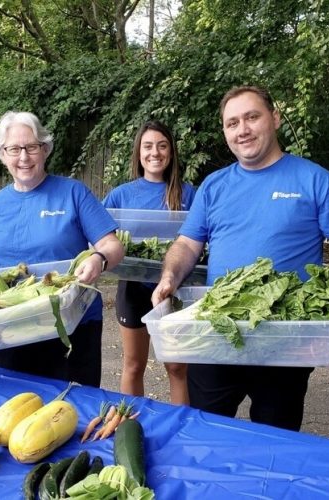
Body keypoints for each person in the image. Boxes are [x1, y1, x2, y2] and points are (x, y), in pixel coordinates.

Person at [152, 85, 329, 430]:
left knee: (276, 435)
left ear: (274, 118)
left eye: (252, 117)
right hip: (218, 331)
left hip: (285, 337)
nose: (242, 130)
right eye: (232, 123)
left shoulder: (315, 180)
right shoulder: (214, 185)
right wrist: (169, 277)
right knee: (207, 429)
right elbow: (187, 244)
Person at [0, 111, 125, 386]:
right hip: (7, 330)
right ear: (2, 154)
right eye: (14, 149)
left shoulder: (73, 193)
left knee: (75, 411)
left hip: (70, 324)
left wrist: (99, 258)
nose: (23, 157)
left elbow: (112, 245)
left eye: (31, 147)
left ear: (44, 149)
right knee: (15, 410)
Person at [103, 120, 196, 404]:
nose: (155, 153)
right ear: (138, 152)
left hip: (176, 290)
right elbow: (98, 234)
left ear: (171, 152)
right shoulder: (121, 195)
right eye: (148, 146)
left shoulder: (188, 193)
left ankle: (182, 429)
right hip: (133, 288)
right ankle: (130, 425)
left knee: (177, 367)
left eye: (162, 145)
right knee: (133, 365)